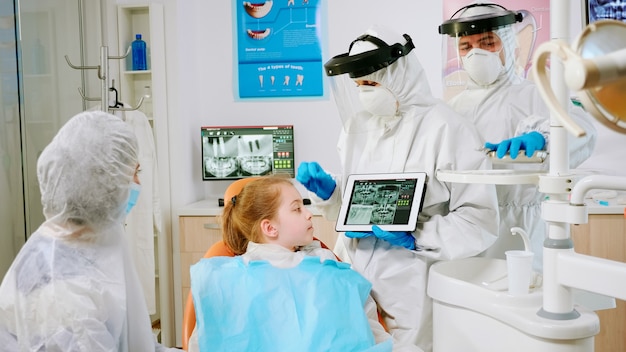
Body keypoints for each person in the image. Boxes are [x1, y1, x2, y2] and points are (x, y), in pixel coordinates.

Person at [297, 25, 499, 352]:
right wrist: (332, 194)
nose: (365, 92)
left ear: (399, 72)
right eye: (359, 84)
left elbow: (480, 220)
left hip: (413, 281)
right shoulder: (357, 128)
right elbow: (355, 208)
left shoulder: (447, 128)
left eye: (372, 83)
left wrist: (418, 235)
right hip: (353, 273)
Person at [438, 2, 597, 272]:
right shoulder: (450, 109)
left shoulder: (536, 94)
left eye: (487, 42)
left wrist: (545, 139)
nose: (475, 53)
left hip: (521, 230)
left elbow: (583, 132)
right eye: (466, 46)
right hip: (465, 234)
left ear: (509, 44)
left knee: (523, 300)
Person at [0, 111, 178, 351]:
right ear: (102, 184)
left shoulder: (98, 237)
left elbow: (136, 340)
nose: (138, 184)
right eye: (133, 173)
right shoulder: (68, 304)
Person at [188, 175, 392, 352]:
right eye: (296, 209)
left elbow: (363, 323)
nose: (308, 213)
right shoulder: (228, 281)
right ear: (269, 228)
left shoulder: (324, 263)